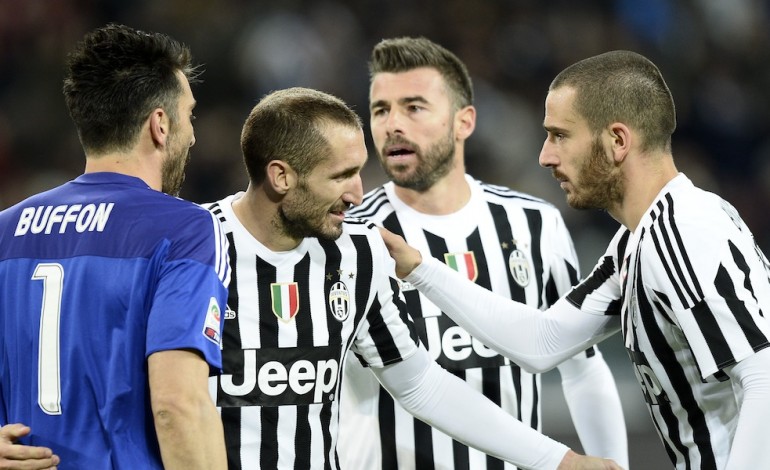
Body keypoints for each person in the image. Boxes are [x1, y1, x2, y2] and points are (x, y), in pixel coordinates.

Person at [379, 50, 770, 470]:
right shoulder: (638, 241)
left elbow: (764, 377)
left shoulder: (683, 231)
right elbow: (542, 341)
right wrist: (418, 267)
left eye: (560, 135)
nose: (546, 156)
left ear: (617, 141)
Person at [203, 86, 621, 470]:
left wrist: (560, 461)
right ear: (281, 176)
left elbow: (421, 383)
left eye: (358, 172)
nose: (357, 194)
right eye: (340, 176)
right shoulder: (195, 246)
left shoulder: (358, 253)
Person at [338, 36, 628, 470]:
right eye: (381, 110)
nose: (392, 124)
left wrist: (614, 463)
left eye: (414, 107)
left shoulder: (535, 224)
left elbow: (582, 368)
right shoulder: (349, 237)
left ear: (464, 122)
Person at [0, 24, 229, 469]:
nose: (193, 135)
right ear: (160, 125)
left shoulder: (6, 230)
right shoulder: (185, 229)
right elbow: (177, 405)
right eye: (190, 115)